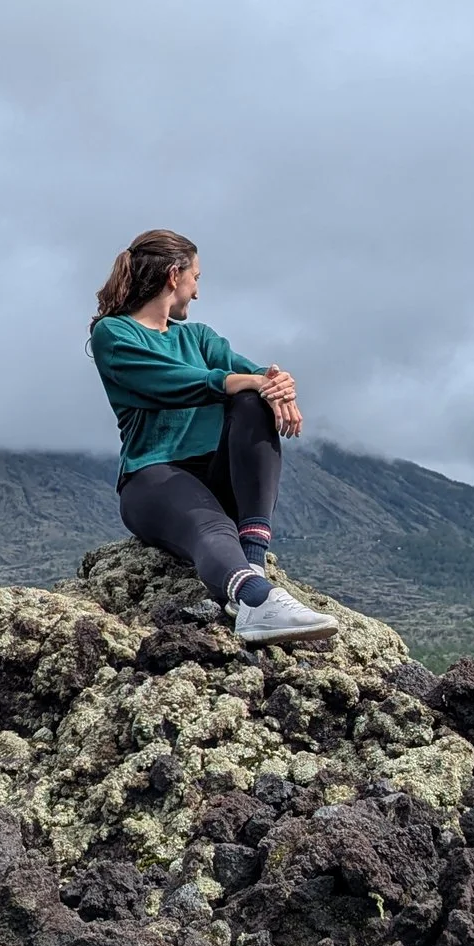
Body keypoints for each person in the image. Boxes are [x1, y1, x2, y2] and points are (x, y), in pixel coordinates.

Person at [88, 229, 341, 646]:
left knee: (253, 401)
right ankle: (255, 600)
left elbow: (251, 375)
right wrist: (247, 380)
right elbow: (174, 383)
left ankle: (254, 565)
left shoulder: (199, 337)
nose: (197, 292)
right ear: (174, 275)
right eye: (196, 278)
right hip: (154, 480)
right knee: (209, 526)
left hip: (220, 476)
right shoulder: (114, 335)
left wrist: (278, 385)